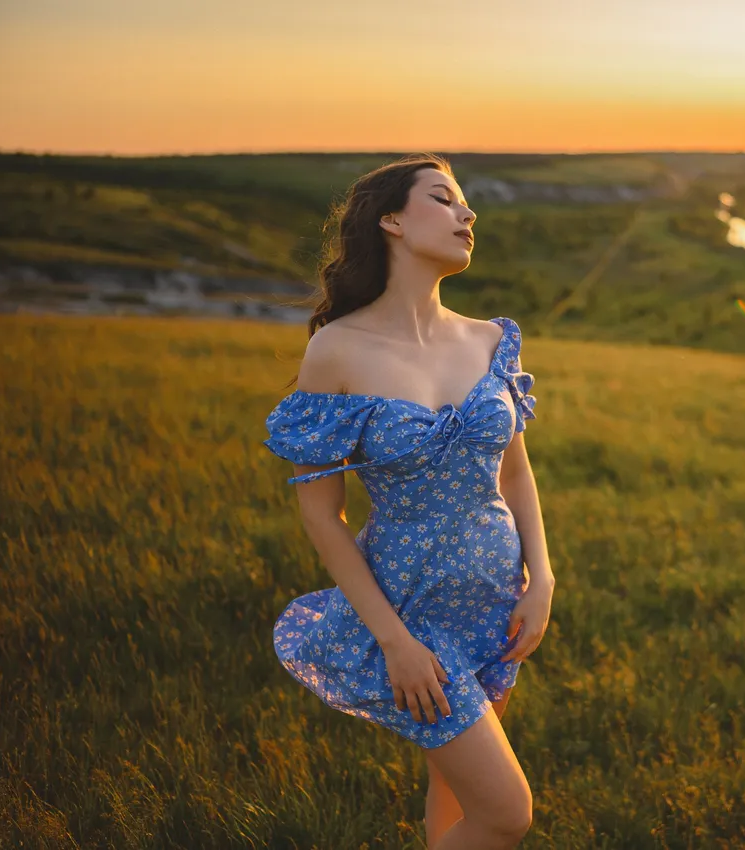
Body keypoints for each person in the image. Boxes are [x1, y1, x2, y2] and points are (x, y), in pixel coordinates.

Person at [261, 153, 554, 849]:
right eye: (445, 199)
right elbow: (319, 513)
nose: (467, 214)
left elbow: (515, 473)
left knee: (452, 789)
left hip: (494, 602)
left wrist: (541, 576)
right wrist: (395, 641)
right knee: (507, 813)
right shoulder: (338, 349)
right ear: (391, 220)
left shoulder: (490, 340)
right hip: (411, 612)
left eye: (466, 204)